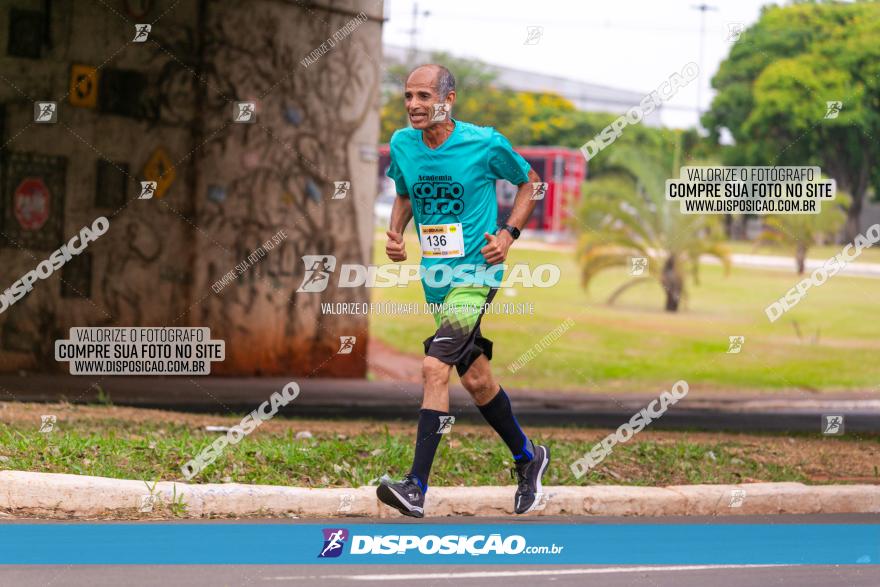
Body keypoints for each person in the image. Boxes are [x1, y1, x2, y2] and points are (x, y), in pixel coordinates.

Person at [376, 63, 549, 518]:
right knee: (475, 379)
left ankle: (416, 487)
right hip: (436, 279)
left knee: (435, 368)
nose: (414, 105)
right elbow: (406, 193)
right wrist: (395, 233)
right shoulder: (402, 144)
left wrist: (509, 234)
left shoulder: (484, 143)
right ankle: (528, 457)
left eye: (424, 97)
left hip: (476, 274)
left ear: (447, 101)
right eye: (408, 97)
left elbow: (532, 183)